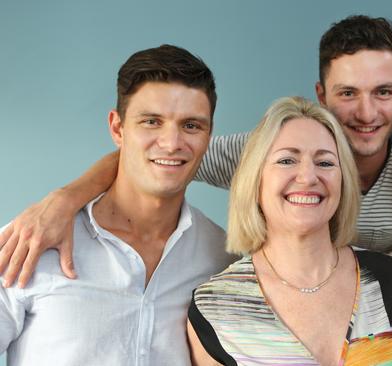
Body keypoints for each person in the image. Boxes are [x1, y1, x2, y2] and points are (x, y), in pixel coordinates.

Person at [0, 15, 392, 345]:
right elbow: (159, 155)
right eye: (347, 93)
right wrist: (66, 199)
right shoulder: (271, 154)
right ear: (322, 94)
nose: (366, 113)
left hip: (376, 317)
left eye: (384, 93)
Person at [0, 45, 237, 365]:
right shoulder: (31, 244)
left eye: (191, 125)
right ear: (117, 128)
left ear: (209, 136)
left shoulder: (222, 261)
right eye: (152, 122)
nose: (172, 143)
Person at [187, 96, 392, 365]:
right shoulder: (216, 306)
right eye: (287, 160)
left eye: (325, 162)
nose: (308, 177)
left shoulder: (390, 280)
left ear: (343, 182)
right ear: (255, 180)